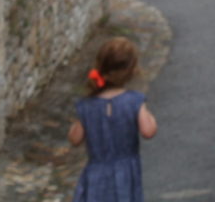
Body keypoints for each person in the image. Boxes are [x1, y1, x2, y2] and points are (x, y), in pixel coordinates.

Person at [67, 37, 158, 202]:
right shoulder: (134, 101)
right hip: (126, 173)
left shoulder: (88, 105)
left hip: (96, 175)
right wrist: (147, 112)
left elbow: (75, 138)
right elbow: (148, 131)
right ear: (133, 70)